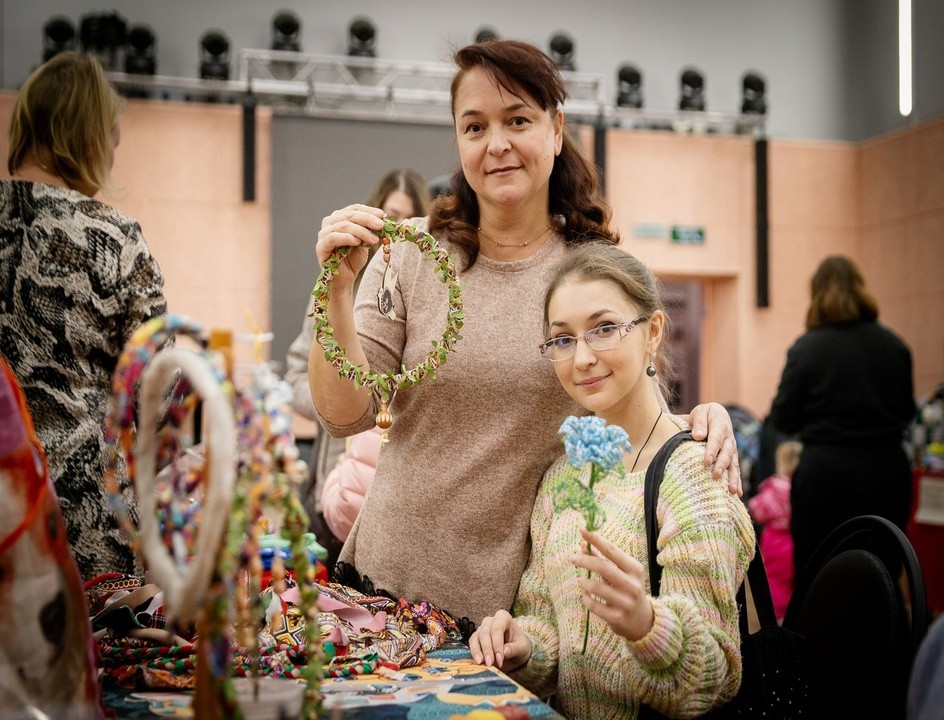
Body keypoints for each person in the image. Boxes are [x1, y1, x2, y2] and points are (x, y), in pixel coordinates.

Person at [308, 39, 742, 622]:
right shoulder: (411, 254)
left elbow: (635, 417)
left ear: (556, 130)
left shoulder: (590, 270)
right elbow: (346, 413)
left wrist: (701, 421)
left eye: (518, 120)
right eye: (475, 127)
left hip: (518, 615)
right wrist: (336, 291)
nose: (497, 144)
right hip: (388, 582)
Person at [468, 242, 755, 719]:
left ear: (654, 332)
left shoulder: (695, 476)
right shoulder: (566, 475)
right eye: (563, 339)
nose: (582, 357)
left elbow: (717, 672)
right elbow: (551, 626)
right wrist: (525, 647)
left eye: (604, 330)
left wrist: (647, 626)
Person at [0, 51, 166, 581]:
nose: (115, 145)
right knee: (93, 656)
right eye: (110, 131)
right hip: (84, 513)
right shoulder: (115, 239)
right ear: (85, 135)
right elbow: (156, 393)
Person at [285, 168, 430, 565]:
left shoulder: (426, 291)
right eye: (389, 216)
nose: (396, 229)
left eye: (408, 219)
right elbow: (296, 374)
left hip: (399, 497)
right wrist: (337, 402)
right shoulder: (337, 287)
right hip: (335, 492)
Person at [768, 254, 915, 580]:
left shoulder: (807, 348)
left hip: (826, 480)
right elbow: (907, 412)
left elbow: (784, 418)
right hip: (887, 475)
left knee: (820, 578)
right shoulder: (893, 345)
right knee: (883, 579)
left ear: (816, 293)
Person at [748, 439, 801, 621]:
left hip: (774, 542)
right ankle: (791, 612)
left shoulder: (776, 487)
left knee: (774, 579)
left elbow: (757, 509)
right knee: (789, 579)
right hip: (793, 540)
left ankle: (776, 616)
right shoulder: (800, 488)